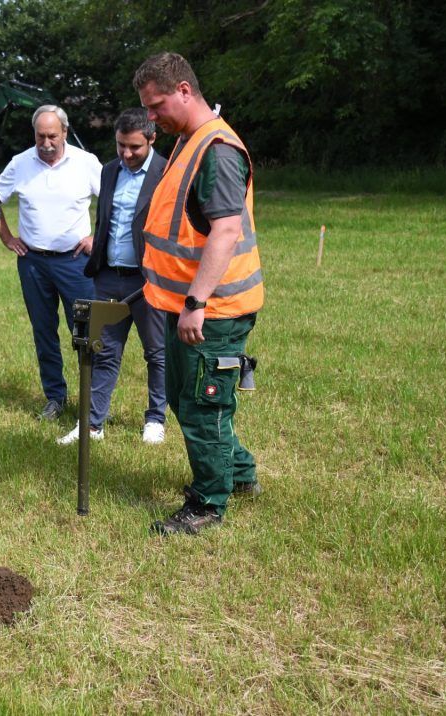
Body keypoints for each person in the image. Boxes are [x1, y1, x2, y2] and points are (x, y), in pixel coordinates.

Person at [133, 52, 264, 536]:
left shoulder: (216, 150)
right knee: (182, 399)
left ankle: (208, 503)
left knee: (203, 404)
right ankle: (241, 473)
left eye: (157, 104)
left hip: (213, 310)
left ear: (185, 91)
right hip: (182, 305)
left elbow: (226, 230)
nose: (151, 116)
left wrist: (196, 303)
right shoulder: (190, 140)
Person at [57, 109, 169, 446]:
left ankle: (155, 419)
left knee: (157, 353)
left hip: (149, 280)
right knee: (103, 351)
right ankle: (92, 424)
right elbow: (109, 218)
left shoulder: (167, 173)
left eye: (134, 147)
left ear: (151, 139)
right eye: (121, 145)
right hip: (108, 277)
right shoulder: (108, 171)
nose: (126, 154)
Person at [0, 105, 102, 421]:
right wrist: (7, 237)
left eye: (52, 135)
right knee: (44, 332)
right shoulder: (20, 163)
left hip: (76, 263)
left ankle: (93, 402)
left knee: (86, 332)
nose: (46, 143)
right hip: (33, 264)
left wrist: (98, 238)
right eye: (40, 136)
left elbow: (111, 201)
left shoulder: (86, 162)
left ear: (65, 132)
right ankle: (55, 397)